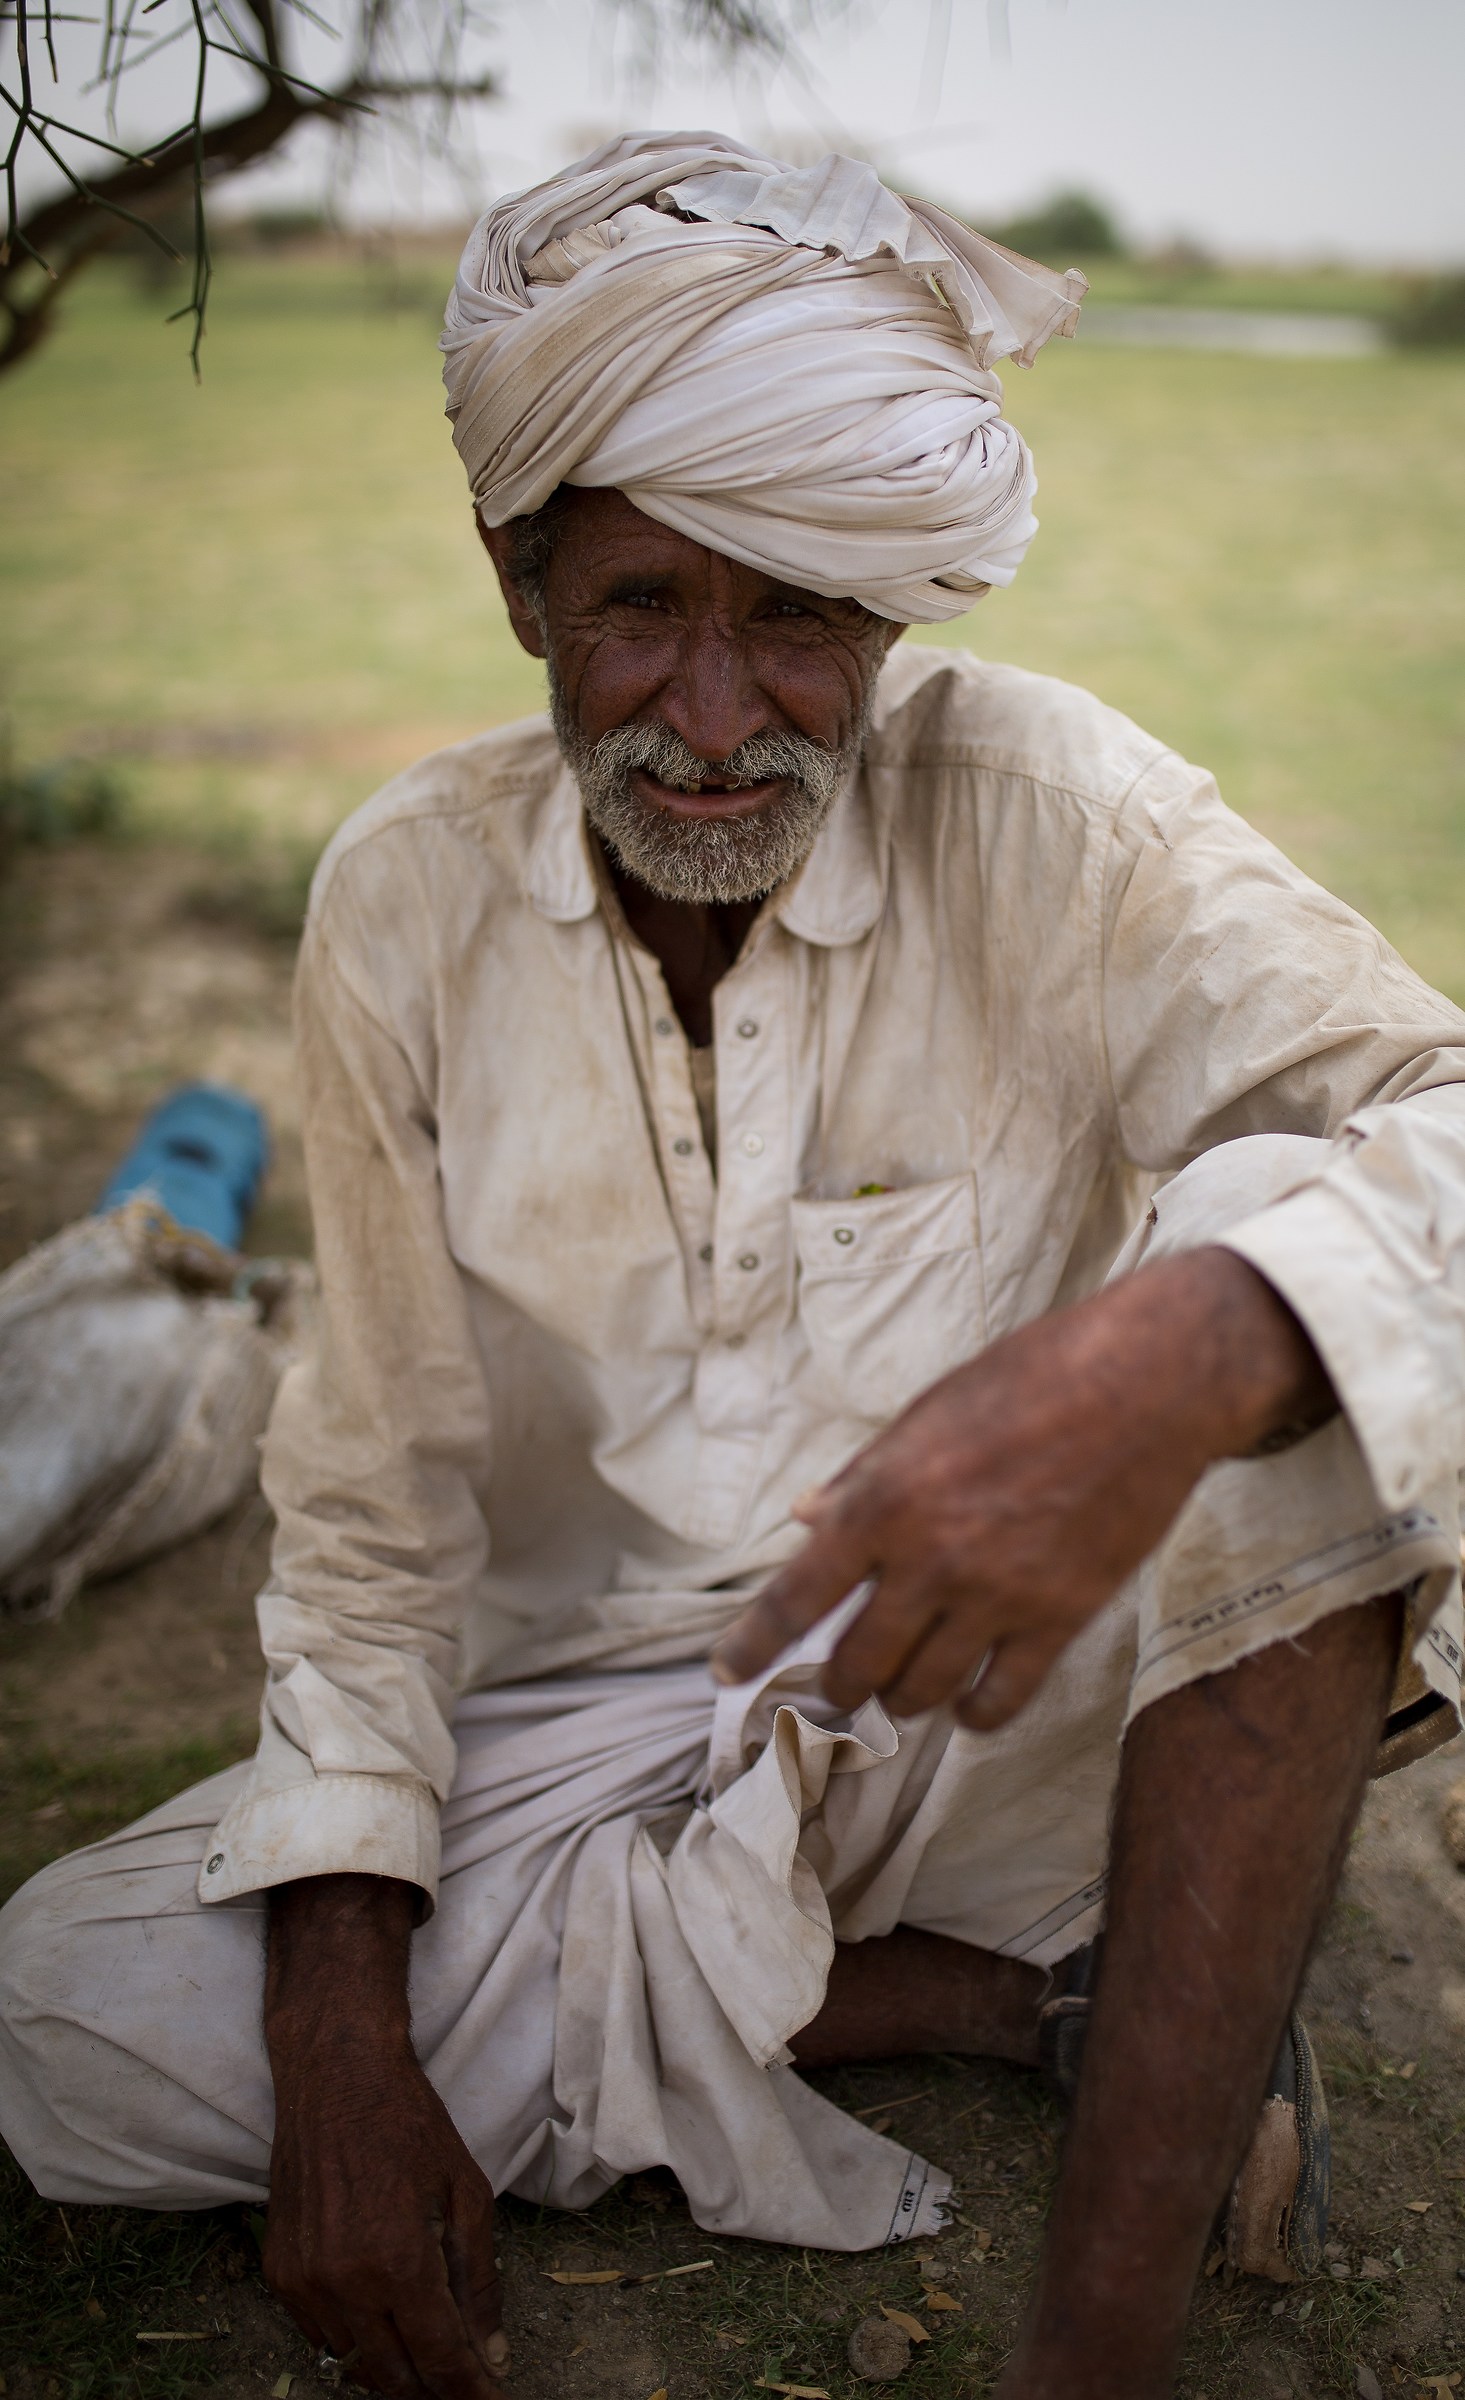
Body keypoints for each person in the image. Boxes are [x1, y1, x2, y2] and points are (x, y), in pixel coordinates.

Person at [2, 133, 1463, 2400]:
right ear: (518, 591)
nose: (710, 715)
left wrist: (1190, 1345)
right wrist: (334, 2046)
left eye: (792, 613)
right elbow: (374, 1508)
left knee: (1302, 1287)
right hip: (598, 1735)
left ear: (887, 615)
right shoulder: (401, 903)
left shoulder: (1062, 820)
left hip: (1015, 1701)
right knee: (62, 2017)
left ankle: (1097, 2343)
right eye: (639, 609)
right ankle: (1012, 1996)